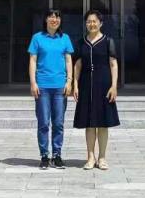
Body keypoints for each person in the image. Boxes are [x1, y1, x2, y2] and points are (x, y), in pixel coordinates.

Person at [72, 9, 120, 170]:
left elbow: (113, 64)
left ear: (100, 23)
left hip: (104, 85)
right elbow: (77, 65)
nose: (91, 24)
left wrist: (114, 86)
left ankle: (102, 157)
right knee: (89, 123)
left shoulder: (108, 41)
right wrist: (75, 85)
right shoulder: (81, 42)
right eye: (88, 21)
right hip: (86, 85)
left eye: (94, 21)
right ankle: (90, 157)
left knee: (103, 123)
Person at [28, 9, 74, 170]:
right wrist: (33, 83)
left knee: (59, 123)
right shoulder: (37, 38)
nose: (54, 19)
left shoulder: (65, 38)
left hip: (60, 87)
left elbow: (68, 61)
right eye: (51, 17)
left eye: (57, 17)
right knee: (43, 123)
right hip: (42, 87)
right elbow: (33, 61)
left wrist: (69, 81)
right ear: (46, 19)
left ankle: (57, 155)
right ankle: (44, 156)